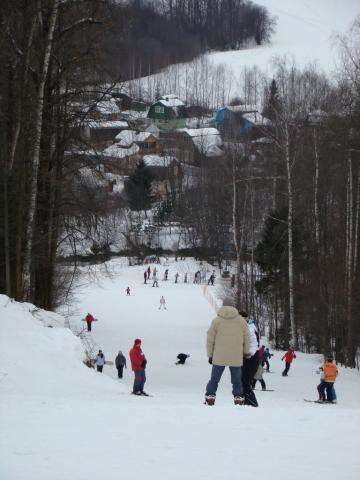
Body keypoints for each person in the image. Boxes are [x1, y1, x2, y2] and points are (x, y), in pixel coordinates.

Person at [205, 297, 251, 406]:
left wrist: (210, 355)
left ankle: (210, 396)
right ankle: (238, 397)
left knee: (214, 379)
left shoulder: (216, 321)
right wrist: (246, 352)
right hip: (236, 356)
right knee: (237, 380)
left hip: (219, 356)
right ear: (234, 306)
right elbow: (247, 338)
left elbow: (210, 339)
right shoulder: (241, 321)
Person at [241, 312, 260, 407]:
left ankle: (252, 404)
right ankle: (247, 403)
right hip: (248, 358)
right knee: (243, 381)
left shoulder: (250, 328)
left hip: (251, 359)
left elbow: (254, 344)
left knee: (245, 382)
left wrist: (249, 354)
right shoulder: (249, 326)